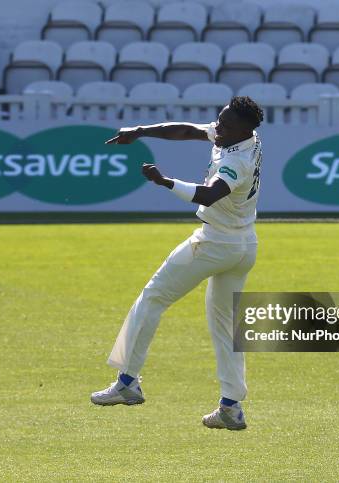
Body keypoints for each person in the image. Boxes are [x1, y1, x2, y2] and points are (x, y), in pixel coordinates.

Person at [91, 96, 264, 431]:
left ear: (243, 130)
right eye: (219, 120)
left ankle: (127, 383)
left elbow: (209, 194)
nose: (218, 128)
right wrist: (140, 131)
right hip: (245, 245)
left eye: (225, 125)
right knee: (227, 327)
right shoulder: (240, 136)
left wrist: (165, 181)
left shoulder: (238, 160)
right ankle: (230, 407)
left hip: (215, 242)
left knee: (153, 297)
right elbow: (187, 130)